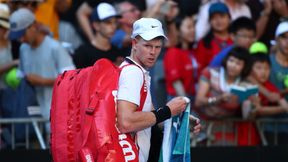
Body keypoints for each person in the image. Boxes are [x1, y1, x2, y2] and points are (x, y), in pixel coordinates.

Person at [116, 17, 201, 162]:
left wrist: (181, 121)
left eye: (157, 47)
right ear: (134, 43)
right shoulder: (133, 73)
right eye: (148, 46)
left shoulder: (137, 71)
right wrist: (168, 110)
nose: (153, 52)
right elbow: (126, 122)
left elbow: (152, 118)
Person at [8, 8, 75, 132]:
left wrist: (43, 81)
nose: (21, 39)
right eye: (18, 36)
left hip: (58, 116)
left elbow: (73, 80)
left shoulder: (55, 47)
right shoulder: (23, 49)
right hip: (33, 116)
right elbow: (22, 75)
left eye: (22, 34)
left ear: (33, 26)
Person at [238, 53, 288, 146]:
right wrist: (282, 109)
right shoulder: (244, 85)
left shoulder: (269, 86)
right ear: (250, 69)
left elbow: (284, 104)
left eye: (267, 68)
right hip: (242, 137)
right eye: (259, 68)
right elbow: (258, 110)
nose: (263, 72)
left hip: (258, 137)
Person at [72, 2, 124, 68]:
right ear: (96, 25)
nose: (113, 26)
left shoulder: (117, 52)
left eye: (115, 22)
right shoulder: (82, 53)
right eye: (108, 22)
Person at [195, 2, 233, 73]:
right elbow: (200, 71)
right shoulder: (204, 43)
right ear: (210, 21)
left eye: (222, 16)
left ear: (229, 18)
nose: (218, 21)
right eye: (214, 18)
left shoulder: (236, 40)